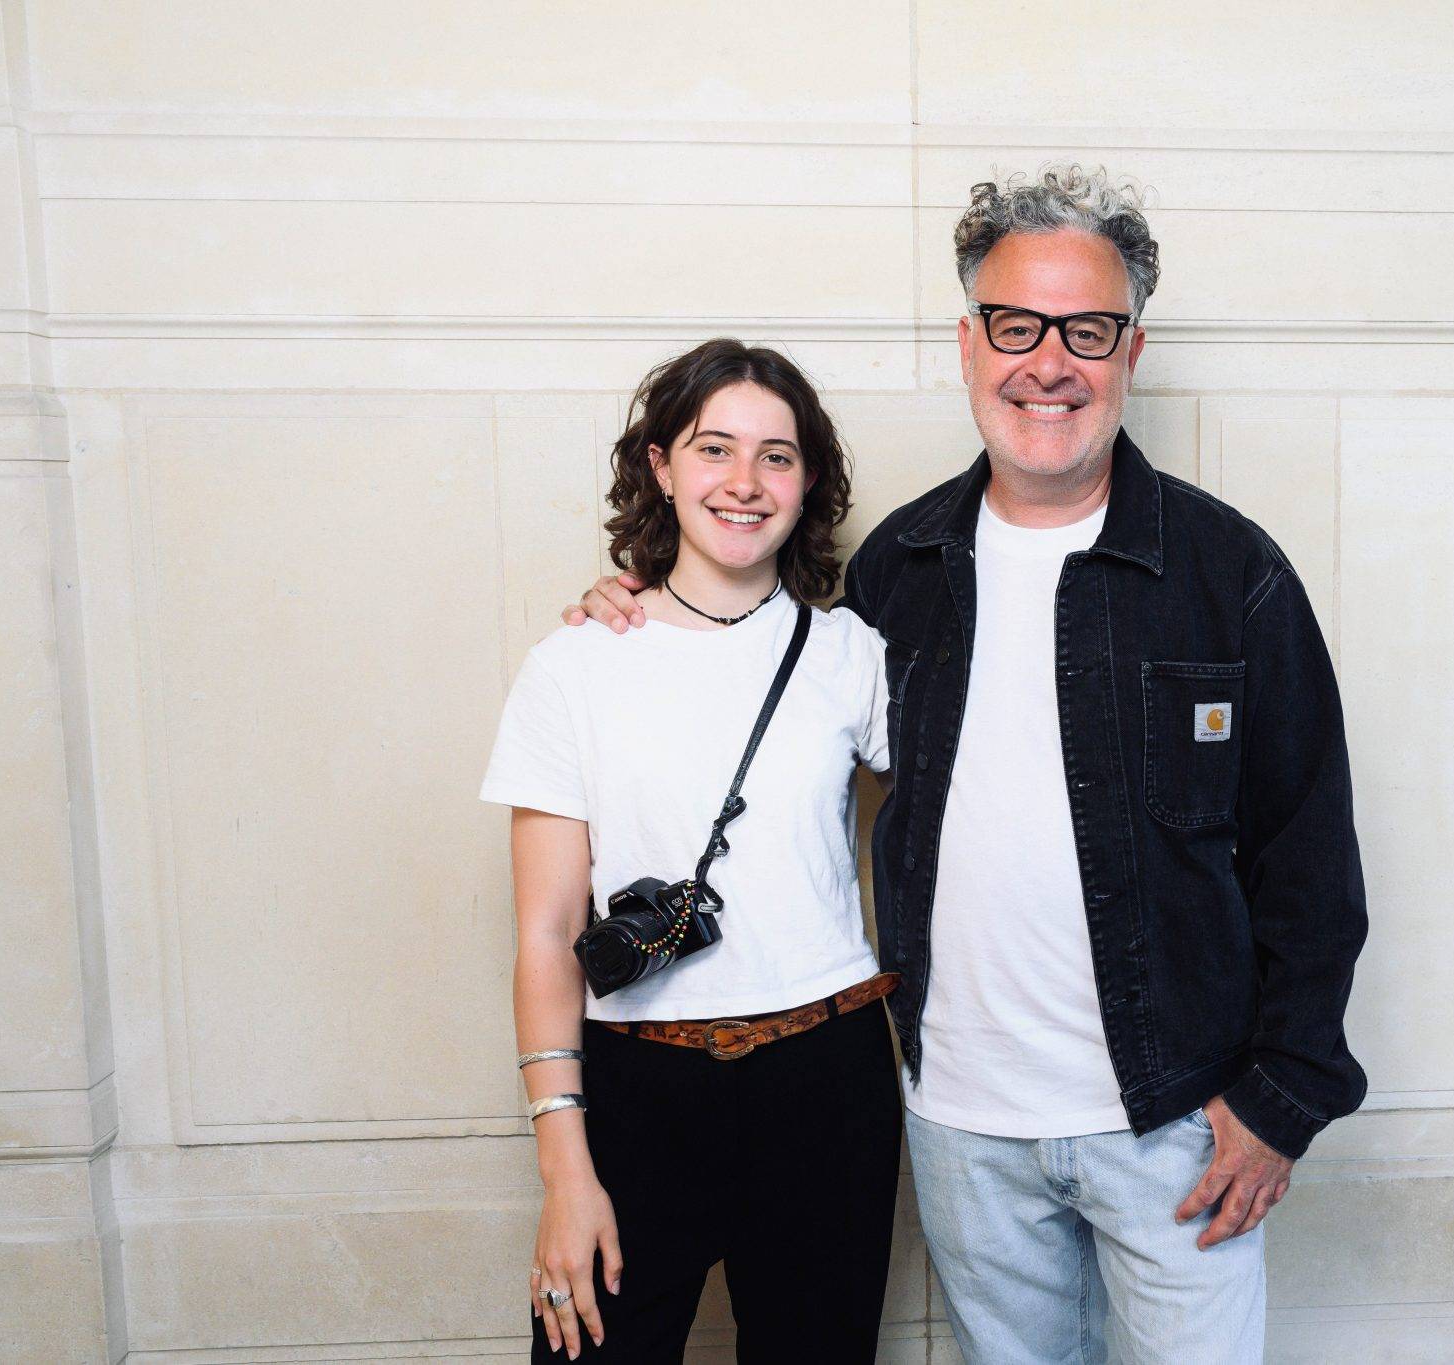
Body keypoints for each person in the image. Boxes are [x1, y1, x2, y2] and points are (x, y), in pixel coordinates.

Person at [568, 168, 1370, 1363]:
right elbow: (759, 666)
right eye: (1015, 325)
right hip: (961, 1127)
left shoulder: (1227, 573)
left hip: (1173, 1125)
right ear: (967, 342)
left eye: (1085, 331)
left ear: (1129, 352)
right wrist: (635, 607)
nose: (1048, 362)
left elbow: (1308, 851)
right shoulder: (901, 568)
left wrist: (1280, 1101)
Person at [483, 339, 901, 1362]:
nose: (744, 483)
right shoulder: (573, 665)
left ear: (809, 483)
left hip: (825, 1081)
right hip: (638, 1090)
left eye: (777, 456)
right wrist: (564, 1169)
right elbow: (544, 932)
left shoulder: (849, 651)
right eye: (714, 449)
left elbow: (979, 809)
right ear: (661, 467)